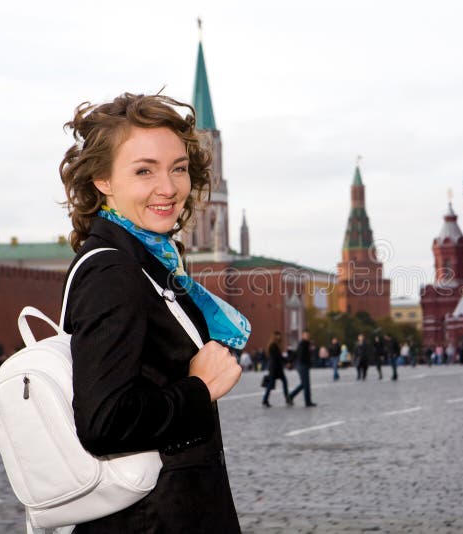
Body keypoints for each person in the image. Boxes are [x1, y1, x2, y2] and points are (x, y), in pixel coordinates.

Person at [59, 92, 247, 532]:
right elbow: (105, 421)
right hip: (150, 519)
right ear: (103, 179)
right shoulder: (114, 270)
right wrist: (199, 388)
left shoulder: (147, 260)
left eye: (178, 168)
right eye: (144, 170)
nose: (169, 188)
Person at [262, 331, 291, 407]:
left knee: (282, 382)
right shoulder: (273, 346)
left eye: (279, 335)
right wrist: (287, 362)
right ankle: (265, 400)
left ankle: (287, 398)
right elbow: (278, 357)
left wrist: (286, 362)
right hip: (275, 368)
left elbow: (279, 357)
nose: (279, 337)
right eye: (277, 335)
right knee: (271, 384)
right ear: (274, 337)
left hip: (276, 367)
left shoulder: (275, 345)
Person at [289, 330, 316, 407]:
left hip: (303, 365)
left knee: (304, 384)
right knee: (306, 384)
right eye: (306, 335)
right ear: (303, 336)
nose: (307, 336)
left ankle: (290, 396)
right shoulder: (303, 344)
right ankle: (308, 402)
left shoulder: (306, 344)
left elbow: (296, 353)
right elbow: (299, 355)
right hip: (302, 366)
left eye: (308, 335)